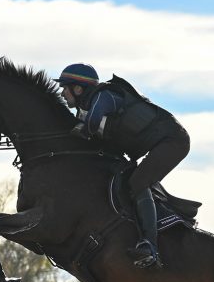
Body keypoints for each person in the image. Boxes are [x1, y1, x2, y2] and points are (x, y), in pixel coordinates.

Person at [55, 63, 190, 268]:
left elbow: (91, 125)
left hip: (173, 142)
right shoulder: (84, 110)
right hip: (157, 145)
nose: (62, 93)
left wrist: (73, 132)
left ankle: (150, 246)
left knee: (138, 182)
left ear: (78, 88)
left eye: (65, 87)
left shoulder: (104, 97)